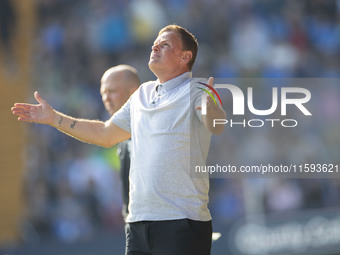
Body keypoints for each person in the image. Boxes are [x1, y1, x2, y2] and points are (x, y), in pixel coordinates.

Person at [12, 24, 226, 255]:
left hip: (182, 221)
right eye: (155, 42)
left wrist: (209, 109)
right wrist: (54, 118)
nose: (155, 46)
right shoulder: (142, 94)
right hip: (138, 225)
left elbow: (217, 124)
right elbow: (105, 134)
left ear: (185, 57)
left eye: (165, 44)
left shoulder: (198, 89)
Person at [100, 64, 140, 221]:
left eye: (112, 91)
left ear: (133, 92)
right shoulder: (122, 136)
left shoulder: (153, 127)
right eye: (103, 93)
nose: (106, 98)